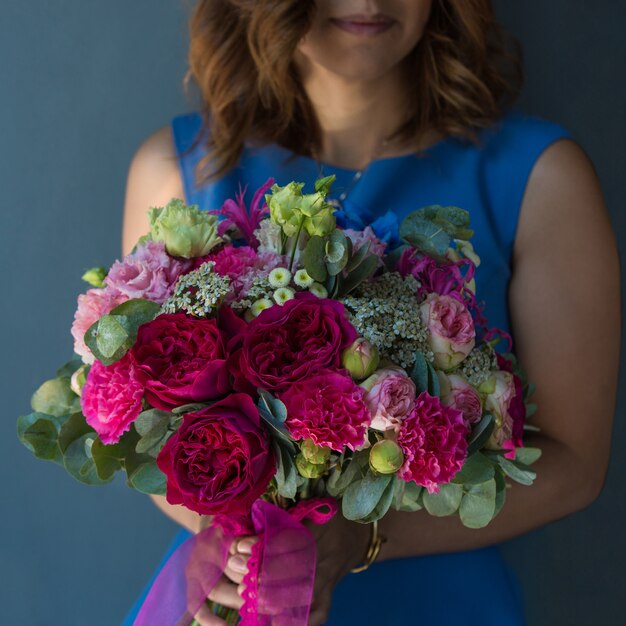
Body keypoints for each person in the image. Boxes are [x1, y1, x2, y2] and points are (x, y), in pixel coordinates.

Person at [120, 1, 621, 624]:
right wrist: (252, 551)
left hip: (440, 600)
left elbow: (574, 463)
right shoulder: (176, 170)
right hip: (230, 592)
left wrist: (357, 539)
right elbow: (149, 429)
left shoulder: (538, 176)